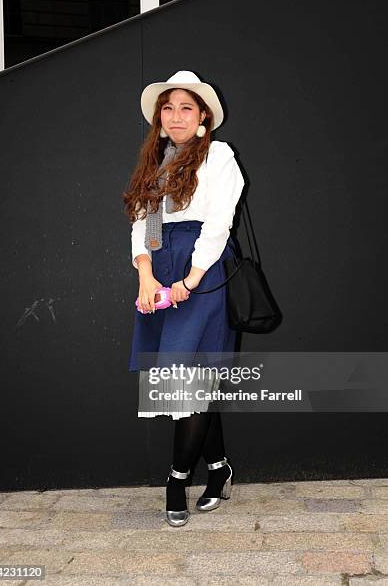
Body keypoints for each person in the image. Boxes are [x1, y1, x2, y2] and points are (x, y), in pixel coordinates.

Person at [122, 70, 245, 527]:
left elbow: (218, 223)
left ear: (203, 117)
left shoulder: (218, 156)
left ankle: (176, 480)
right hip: (160, 272)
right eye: (168, 107)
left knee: (185, 380)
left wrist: (190, 279)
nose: (175, 115)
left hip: (201, 270)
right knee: (190, 384)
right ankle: (218, 470)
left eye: (185, 107)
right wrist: (146, 277)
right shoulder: (156, 160)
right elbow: (142, 223)